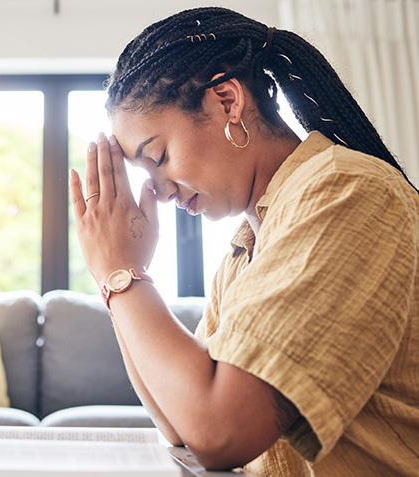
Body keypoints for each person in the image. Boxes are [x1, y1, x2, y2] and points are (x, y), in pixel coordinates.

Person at [69, 6, 419, 475]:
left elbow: (219, 431)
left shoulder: (345, 191)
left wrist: (123, 273)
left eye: (160, 156)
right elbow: (179, 423)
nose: (158, 190)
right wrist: (114, 276)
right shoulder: (246, 245)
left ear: (228, 102)